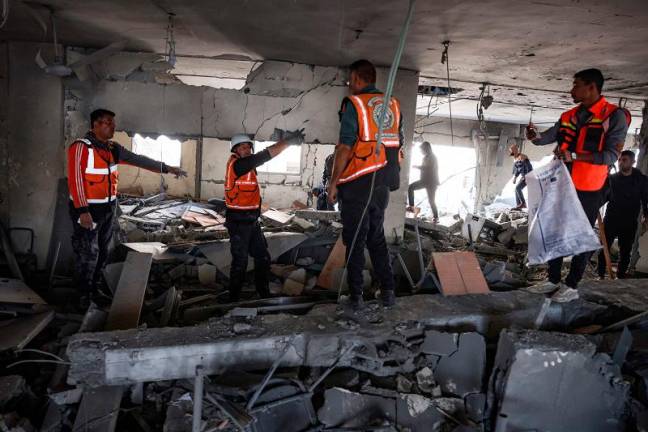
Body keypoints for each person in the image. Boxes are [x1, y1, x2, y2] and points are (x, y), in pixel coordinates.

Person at [526, 68, 630, 302]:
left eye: (576, 85)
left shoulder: (614, 116)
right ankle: (552, 280)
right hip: (561, 183)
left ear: (591, 87)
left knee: (579, 235)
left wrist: (575, 156)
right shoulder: (569, 115)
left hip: (589, 188)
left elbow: (611, 155)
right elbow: (547, 137)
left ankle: (571, 285)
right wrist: (533, 137)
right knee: (554, 229)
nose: (572, 90)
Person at [67, 109, 186, 304]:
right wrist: (83, 211)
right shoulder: (81, 147)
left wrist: (166, 168)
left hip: (108, 208)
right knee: (88, 252)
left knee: (103, 251)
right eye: (108, 122)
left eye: (113, 123)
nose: (113, 126)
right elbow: (76, 180)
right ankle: (83, 296)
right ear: (95, 125)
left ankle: (95, 289)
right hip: (88, 209)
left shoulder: (113, 148)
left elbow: (138, 159)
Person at [327, 59, 402, 310]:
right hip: (382, 183)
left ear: (358, 79)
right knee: (376, 238)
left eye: (351, 80)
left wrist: (333, 183)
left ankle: (356, 296)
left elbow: (346, 147)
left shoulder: (356, 104)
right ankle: (388, 291)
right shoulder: (392, 103)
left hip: (359, 182)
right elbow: (396, 141)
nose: (350, 85)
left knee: (356, 240)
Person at [225, 131, 304, 302]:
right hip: (238, 222)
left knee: (263, 257)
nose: (247, 150)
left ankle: (263, 293)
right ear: (235, 150)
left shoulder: (248, 166)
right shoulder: (238, 165)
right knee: (240, 262)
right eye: (243, 147)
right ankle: (233, 299)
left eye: (248, 147)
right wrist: (287, 142)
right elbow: (264, 156)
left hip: (251, 221)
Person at [598, 150, 648, 279]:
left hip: (629, 220)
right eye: (619, 160)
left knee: (625, 251)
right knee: (604, 248)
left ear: (633, 162)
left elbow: (645, 198)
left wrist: (646, 215)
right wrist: (593, 207)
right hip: (611, 219)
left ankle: (620, 275)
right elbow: (603, 198)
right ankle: (601, 275)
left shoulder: (641, 180)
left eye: (624, 160)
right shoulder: (612, 179)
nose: (620, 162)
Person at [407, 141, 439, 221]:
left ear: (427, 148)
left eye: (422, 150)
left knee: (431, 201)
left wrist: (417, 167)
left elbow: (429, 168)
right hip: (424, 181)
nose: (421, 152)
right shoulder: (425, 157)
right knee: (411, 187)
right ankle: (412, 207)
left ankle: (436, 217)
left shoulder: (433, 157)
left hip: (431, 183)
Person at [510, 143, 533, 210]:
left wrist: (527, 176)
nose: (513, 155)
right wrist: (515, 177)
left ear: (516, 151)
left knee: (518, 188)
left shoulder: (523, 156)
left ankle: (523, 203)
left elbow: (528, 166)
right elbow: (518, 169)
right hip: (524, 176)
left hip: (529, 175)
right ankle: (519, 206)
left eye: (513, 153)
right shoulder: (516, 159)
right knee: (516, 189)